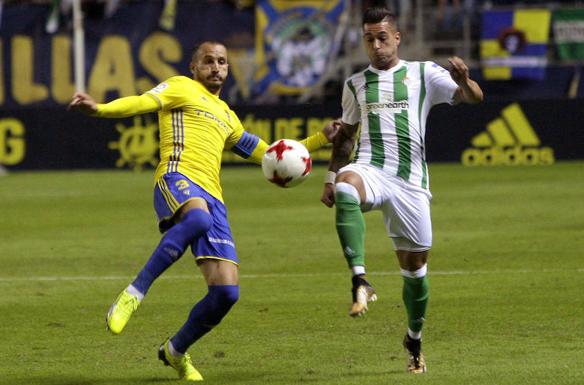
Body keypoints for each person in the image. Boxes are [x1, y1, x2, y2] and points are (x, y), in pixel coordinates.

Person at [69, 40, 337, 381]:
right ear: (194, 67)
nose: (216, 67)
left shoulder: (228, 117)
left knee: (226, 293)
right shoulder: (181, 87)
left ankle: (175, 351)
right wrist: (100, 109)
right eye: (208, 61)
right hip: (177, 177)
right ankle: (133, 294)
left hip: (214, 198)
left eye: (222, 62)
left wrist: (319, 139)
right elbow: (141, 102)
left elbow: (270, 154)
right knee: (197, 218)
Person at [320, 7, 483, 374]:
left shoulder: (423, 73)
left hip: (410, 183)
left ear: (397, 37)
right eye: (369, 39)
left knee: (415, 271)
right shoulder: (354, 84)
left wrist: (466, 80)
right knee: (347, 188)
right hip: (370, 170)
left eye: (382, 37)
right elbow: (345, 138)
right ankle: (360, 279)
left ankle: (414, 338)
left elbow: (473, 99)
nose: (376, 45)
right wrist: (331, 178)